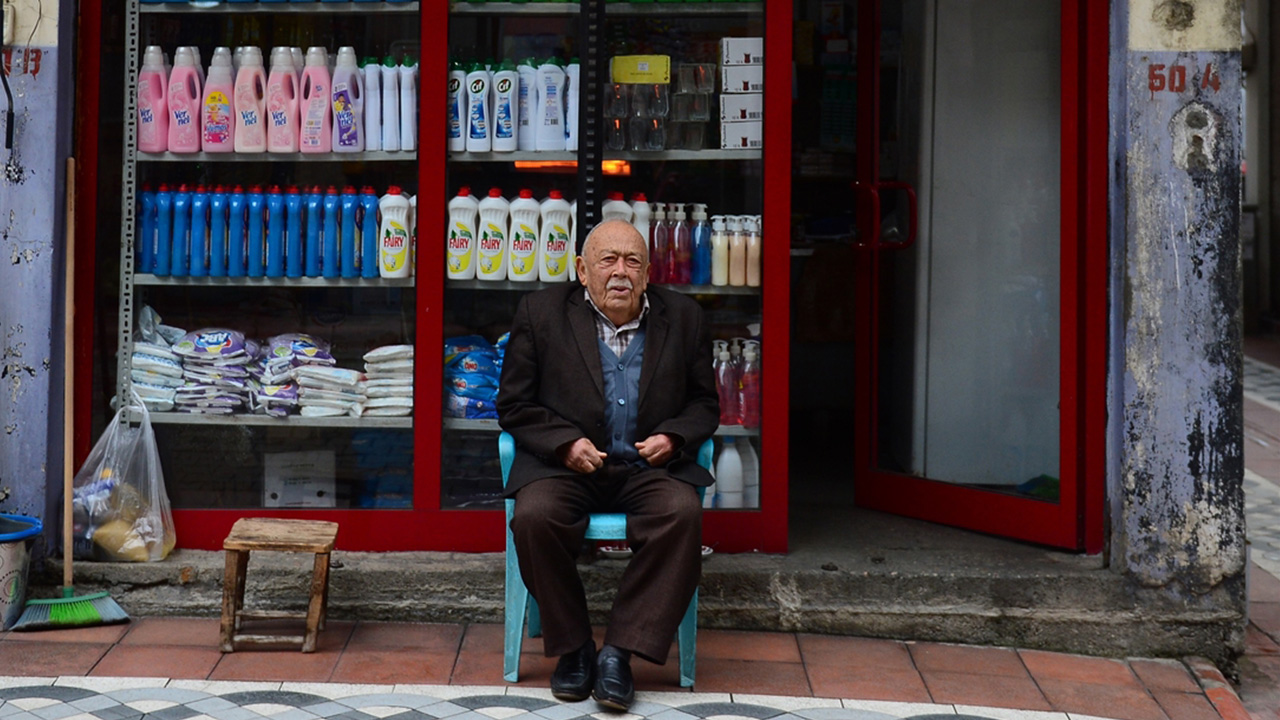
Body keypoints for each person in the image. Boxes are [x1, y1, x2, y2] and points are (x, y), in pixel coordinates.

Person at [497, 219, 719, 711]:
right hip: (566, 467)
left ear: (647, 273)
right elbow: (513, 404)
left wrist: (673, 436)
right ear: (582, 269)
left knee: (681, 514)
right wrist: (563, 444)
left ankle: (620, 652)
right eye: (607, 260)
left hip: (648, 470)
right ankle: (575, 648)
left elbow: (705, 404)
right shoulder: (541, 313)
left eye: (633, 261)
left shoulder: (683, 318)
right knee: (534, 517)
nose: (621, 272)